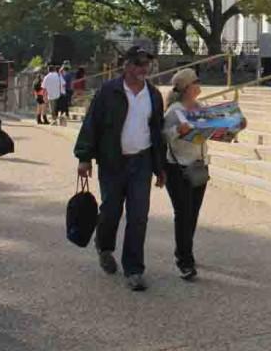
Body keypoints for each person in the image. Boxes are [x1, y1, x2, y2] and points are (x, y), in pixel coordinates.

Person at [75, 46, 166, 292]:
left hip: (142, 162)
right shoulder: (108, 91)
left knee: (138, 216)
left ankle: (134, 269)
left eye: (146, 63)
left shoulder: (154, 95)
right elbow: (91, 123)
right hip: (113, 161)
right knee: (111, 211)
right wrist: (84, 157)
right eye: (137, 63)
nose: (143, 68)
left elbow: (157, 132)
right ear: (125, 65)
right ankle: (104, 246)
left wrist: (160, 168)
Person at [161, 68, 209, 281]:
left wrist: (235, 126)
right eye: (196, 81)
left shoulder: (201, 108)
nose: (200, 84)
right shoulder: (175, 111)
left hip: (198, 165)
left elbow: (212, 132)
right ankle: (184, 260)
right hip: (178, 167)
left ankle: (185, 250)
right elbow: (163, 136)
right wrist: (176, 132)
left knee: (193, 213)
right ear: (187, 87)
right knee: (183, 213)